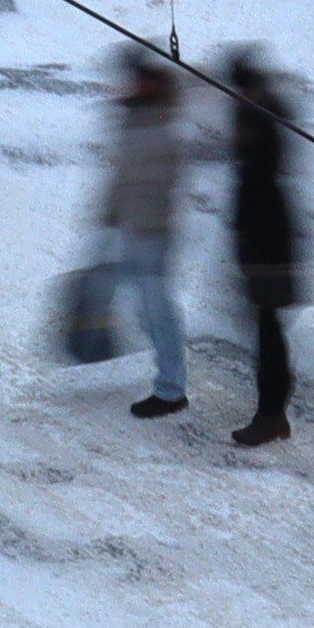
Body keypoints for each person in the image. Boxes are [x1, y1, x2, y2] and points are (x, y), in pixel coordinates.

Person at [220, 48, 309, 449]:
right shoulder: (262, 118)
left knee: (268, 332)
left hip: (267, 242)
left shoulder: (259, 123)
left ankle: (271, 416)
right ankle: (272, 414)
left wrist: (245, 238)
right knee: (268, 329)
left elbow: (255, 181)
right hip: (268, 239)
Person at [97, 51, 193, 419]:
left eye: (140, 80)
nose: (132, 85)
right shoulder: (133, 123)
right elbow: (121, 175)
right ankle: (168, 379)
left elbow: (159, 180)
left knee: (158, 310)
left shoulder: (161, 127)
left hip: (152, 234)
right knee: (145, 309)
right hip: (132, 230)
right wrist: (108, 217)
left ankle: (171, 390)